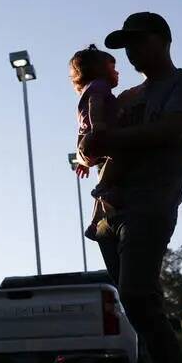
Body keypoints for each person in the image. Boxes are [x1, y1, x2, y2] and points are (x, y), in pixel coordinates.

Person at [81, 11, 182, 363]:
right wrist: (90, 154)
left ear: (162, 39)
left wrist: (107, 143)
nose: (132, 53)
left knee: (140, 297)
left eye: (139, 42)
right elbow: (100, 147)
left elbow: (172, 131)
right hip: (110, 209)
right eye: (127, 46)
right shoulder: (128, 95)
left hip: (152, 203)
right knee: (140, 309)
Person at [69, 45, 125, 240]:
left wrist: (82, 159)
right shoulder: (99, 86)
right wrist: (100, 126)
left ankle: (94, 223)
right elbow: (95, 104)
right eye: (112, 67)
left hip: (88, 142)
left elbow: (79, 130)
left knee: (104, 177)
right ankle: (104, 187)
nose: (117, 72)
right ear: (100, 70)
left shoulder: (86, 91)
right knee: (119, 155)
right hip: (99, 135)